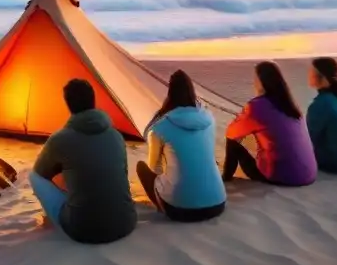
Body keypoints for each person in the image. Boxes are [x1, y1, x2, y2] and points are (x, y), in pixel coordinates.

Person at [29, 79, 137, 244]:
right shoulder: (116, 136)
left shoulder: (60, 139)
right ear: (93, 101)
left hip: (83, 231)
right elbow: (123, 175)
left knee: (33, 176)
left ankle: (55, 220)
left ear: (68, 104)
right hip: (126, 223)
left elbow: (41, 172)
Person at [136, 69, 226, 222]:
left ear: (169, 93)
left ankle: (161, 205)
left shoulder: (160, 126)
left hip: (180, 210)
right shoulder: (210, 119)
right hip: (217, 203)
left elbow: (154, 168)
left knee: (141, 168)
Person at [222, 61, 317, 186]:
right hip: (308, 174)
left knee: (232, 141)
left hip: (281, 177)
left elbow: (231, 132)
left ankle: (225, 179)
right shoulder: (290, 104)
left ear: (261, 82)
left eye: (255, 79)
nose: (253, 83)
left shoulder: (257, 106)